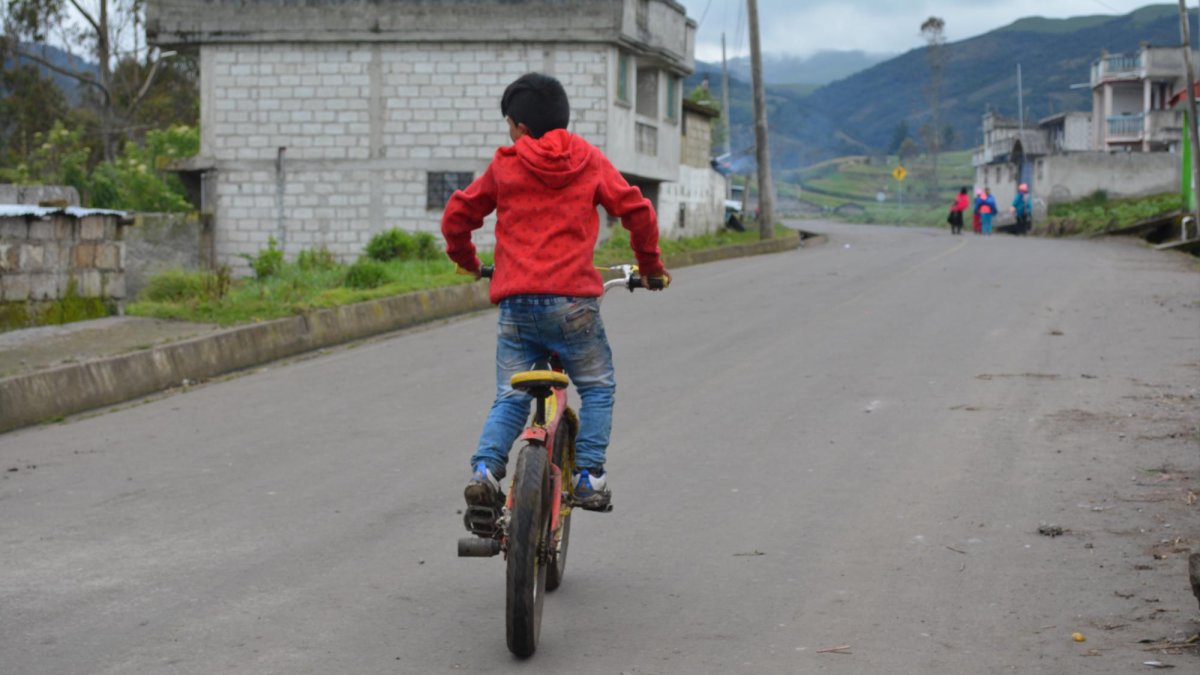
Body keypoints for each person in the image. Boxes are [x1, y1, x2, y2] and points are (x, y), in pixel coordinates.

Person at [441, 72, 670, 518]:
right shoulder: (589, 160)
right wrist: (650, 267)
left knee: (511, 395)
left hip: (516, 306)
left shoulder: (506, 165)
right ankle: (588, 476)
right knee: (597, 387)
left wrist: (467, 261)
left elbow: (457, 216)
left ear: (521, 126)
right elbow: (638, 211)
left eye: (510, 125)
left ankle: (485, 471)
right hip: (573, 306)